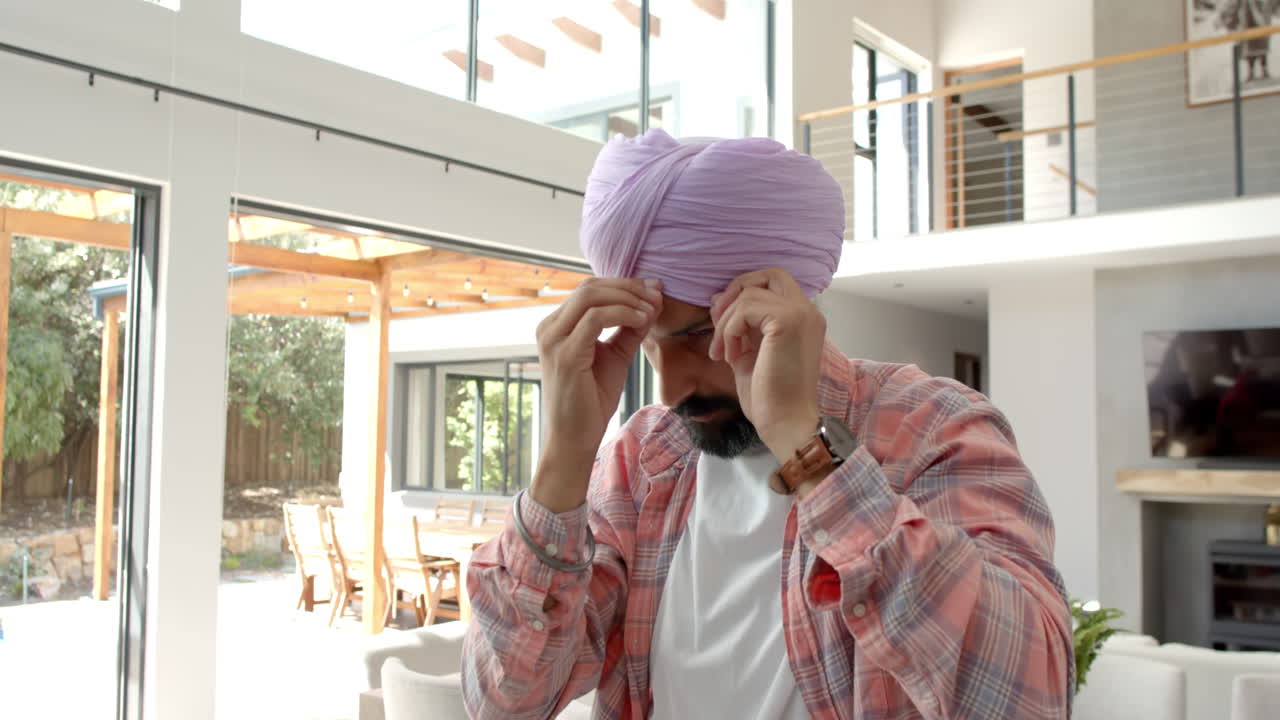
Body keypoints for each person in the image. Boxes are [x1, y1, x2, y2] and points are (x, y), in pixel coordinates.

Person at [461, 129, 1074, 719]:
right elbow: (505, 702)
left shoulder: (933, 428)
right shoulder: (640, 462)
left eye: (698, 336)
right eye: (648, 345)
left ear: (785, 301)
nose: (670, 390)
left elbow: (1031, 698)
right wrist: (562, 462)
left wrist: (806, 447)